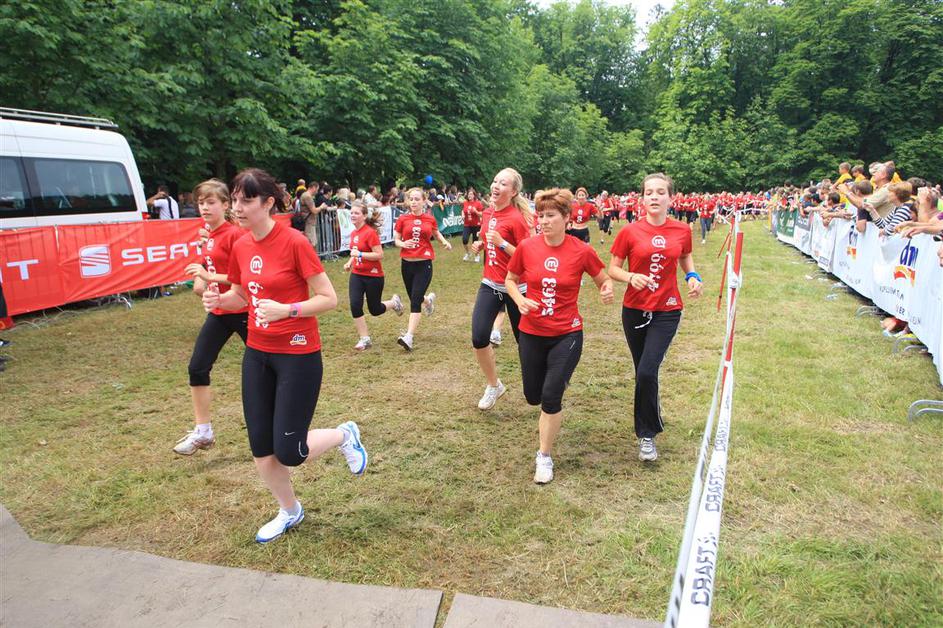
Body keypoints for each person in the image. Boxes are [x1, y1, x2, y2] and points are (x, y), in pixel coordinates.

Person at [202, 168, 367, 543]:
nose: (237, 208)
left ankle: (344, 435)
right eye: (235, 200)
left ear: (268, 203)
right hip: (257, 354)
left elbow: (329, 298)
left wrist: (287, 310)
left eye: (246, 200)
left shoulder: (294, 242)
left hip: (298, 354)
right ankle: (290, 511)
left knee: (290, 451)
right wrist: (218, 300)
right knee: (262, 449)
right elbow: (241, 296)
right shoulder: (241, 245)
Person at [505, 188, 613, 484]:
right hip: (531, 332)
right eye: (540, 215)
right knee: (533, 396)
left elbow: (603, 279)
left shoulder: (581, 250)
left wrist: (606, 290)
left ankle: (544, 456)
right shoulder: (527, 247)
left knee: (551, 397)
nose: (543, 221)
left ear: (567, 218)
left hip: (567, 333)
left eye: (550, 215)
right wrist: (519, 300)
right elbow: (510, 280)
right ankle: (553, 385)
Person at [608, 173, 703, 462]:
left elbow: (684, 256)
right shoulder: (629, 232)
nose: (654, 197)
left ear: (670, 198)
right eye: (649, 192)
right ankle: (651, 415)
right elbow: (613, 269)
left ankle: (647, 434)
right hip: (634, 309)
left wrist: (692, 276)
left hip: (667, 309)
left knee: (648, 371)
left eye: (660, 192)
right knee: (643, 372)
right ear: (642, 198)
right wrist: (631, 277)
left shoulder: (682, 230)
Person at [173, 180, 248, 455]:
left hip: (244, 310)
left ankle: (282, 420)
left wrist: (207, 275)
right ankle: (203, 431)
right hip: (220, 312)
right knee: (197, 367)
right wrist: (202, 281)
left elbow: (244, 277)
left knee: (268, 367)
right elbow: (207, 273)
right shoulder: (208, 235)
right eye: (201, 202)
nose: (204, 207)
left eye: (211, 202)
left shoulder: (235, 235)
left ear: (226, 205)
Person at [469, 168, 534, 409]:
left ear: (513, 191)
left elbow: (528, 258)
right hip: (490, 283)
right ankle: (494, 385)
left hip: (517, 287)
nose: (496, 186)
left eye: (503, 183)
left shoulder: (517, 219)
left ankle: (541, 381)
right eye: (495, 181)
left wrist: (502, 243)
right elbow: (488, 239)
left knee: (525, 343)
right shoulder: (487, 213)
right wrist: (482, 245)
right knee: (479, 337)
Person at [393, 187, 452, 351]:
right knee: (416, 297)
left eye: (417, 199)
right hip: (407, 264)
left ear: (423, 201)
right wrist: (403, 243)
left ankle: (409, 337)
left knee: (414, 300)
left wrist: (444, 242)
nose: (413, 202)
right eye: (411, 199)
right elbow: (396, 240)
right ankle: (428, 301)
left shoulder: (429, 219)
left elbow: (436, 233)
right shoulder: (403, 219)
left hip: (424, 263)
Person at [342, 201, 404, 350]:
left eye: (356, 213)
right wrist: (350, 262)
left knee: (375, 310)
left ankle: (394, 303)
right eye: (352, 213)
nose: (353, 215)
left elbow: (379, 255)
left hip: (374, 276)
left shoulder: (370, 233)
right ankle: (365, 339)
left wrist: (360, 254)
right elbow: (355, 252)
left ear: (364, 216)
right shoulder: (354, 233)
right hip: (357, 275)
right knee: (355, 305)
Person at [461, 187, 484, 262]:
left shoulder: (478, 203)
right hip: (467, 225)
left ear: (474, 195)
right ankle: (468, 253)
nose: (469, 195)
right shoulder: (465, 203)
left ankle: (477, 255)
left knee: (475, 242)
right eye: (468, 194)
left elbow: (481, 214)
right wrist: (462, 215)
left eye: (471, 194)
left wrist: (476, 211)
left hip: (476, 225)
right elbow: (463, 210)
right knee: (464, 240)